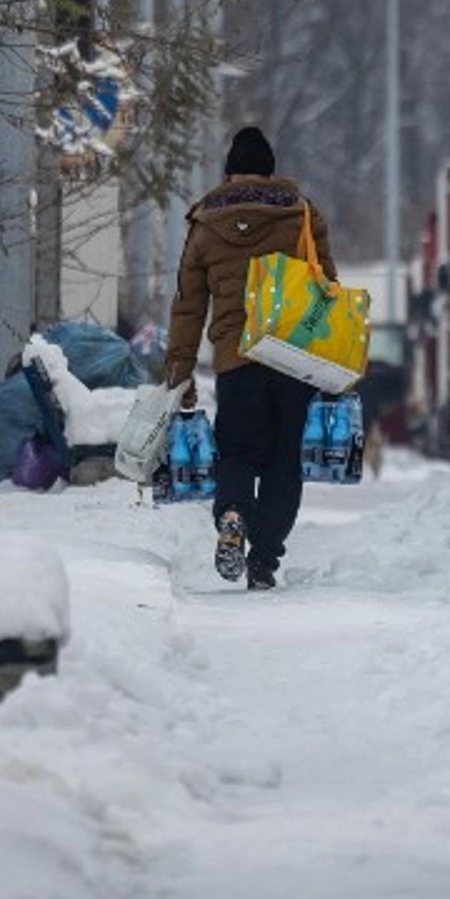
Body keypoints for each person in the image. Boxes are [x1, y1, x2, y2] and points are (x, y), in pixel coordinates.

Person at [164, 126, 337, 590]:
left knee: (238, 451)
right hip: (291, 358)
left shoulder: (204, 226)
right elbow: (327, 290)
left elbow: (188, 304)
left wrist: (179, 372)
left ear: (228, 171)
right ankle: (263, 561)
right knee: (285, 462)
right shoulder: (301, 215)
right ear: (271, 170)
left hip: (236, 361)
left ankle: (234, 512)